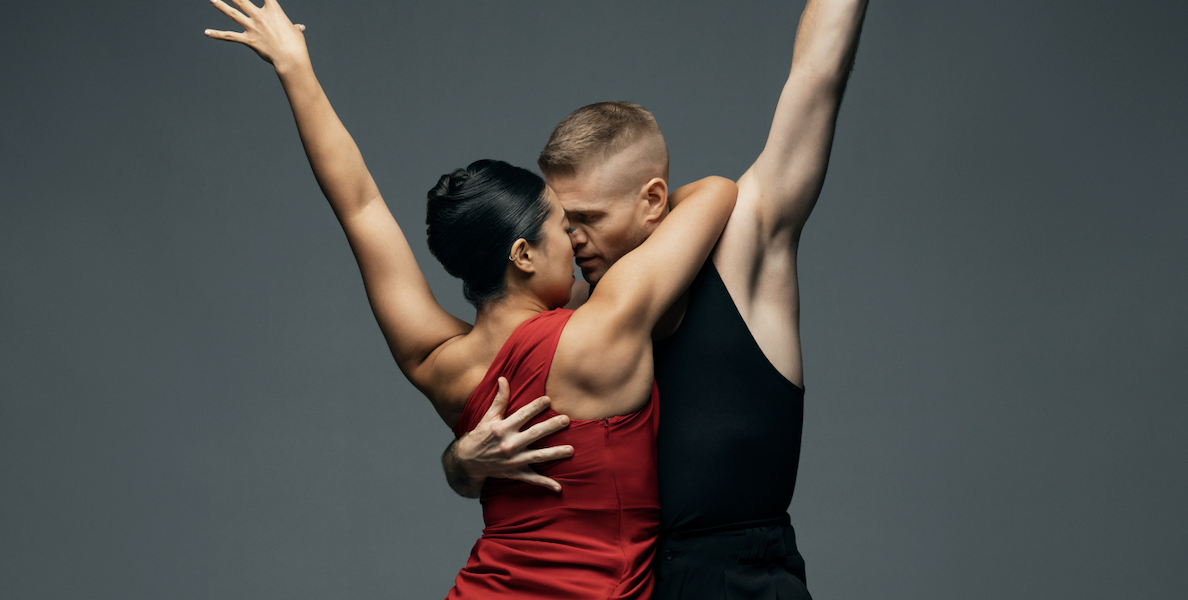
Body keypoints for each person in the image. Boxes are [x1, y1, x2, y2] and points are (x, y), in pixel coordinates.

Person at [203, 1, 737, 598]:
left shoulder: (437, 362)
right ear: (523, 254)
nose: (579, 238)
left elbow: (360, 208)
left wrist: (295, 69)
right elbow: (716, 194)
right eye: (565, 225)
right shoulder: (605, 326)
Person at [442, 1, 869, 598]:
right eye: (562, 223)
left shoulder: (742, 247)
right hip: (626, 584)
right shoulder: (572, 322)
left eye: (587, 219)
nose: (569, 240)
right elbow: (487, 427)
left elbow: (816, 77)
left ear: (652, 200)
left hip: (740, 580)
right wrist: (460, 463)